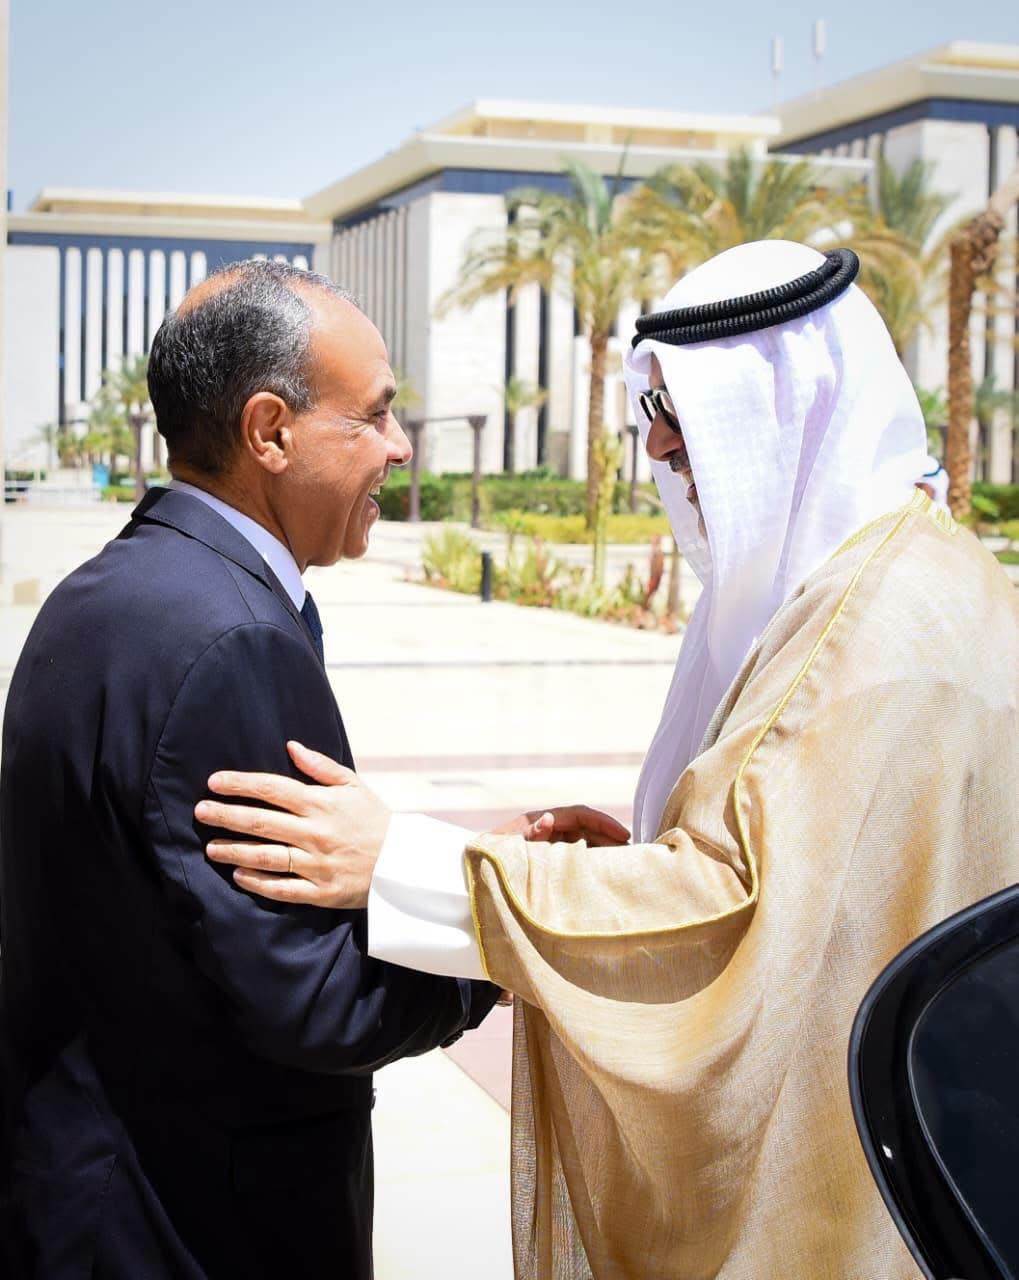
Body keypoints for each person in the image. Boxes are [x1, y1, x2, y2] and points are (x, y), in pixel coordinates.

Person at [201, 241, 1019, 1279]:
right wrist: (623, 868)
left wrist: (407, 862)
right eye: (654, 413)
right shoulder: (903, 572)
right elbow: (815, 876)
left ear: (785, 398)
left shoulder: (870, 628)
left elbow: (730, 916)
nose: (663, 447)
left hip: (858, 1184)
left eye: (680, 414)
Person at [0, 260, 517, 1279]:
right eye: (373, 414)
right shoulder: (232, 638)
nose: (399, 445)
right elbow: (314, 998)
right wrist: (500, 938)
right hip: (190, 1225)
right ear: (269, 431)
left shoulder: (113, 589)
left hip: (84, 1200)